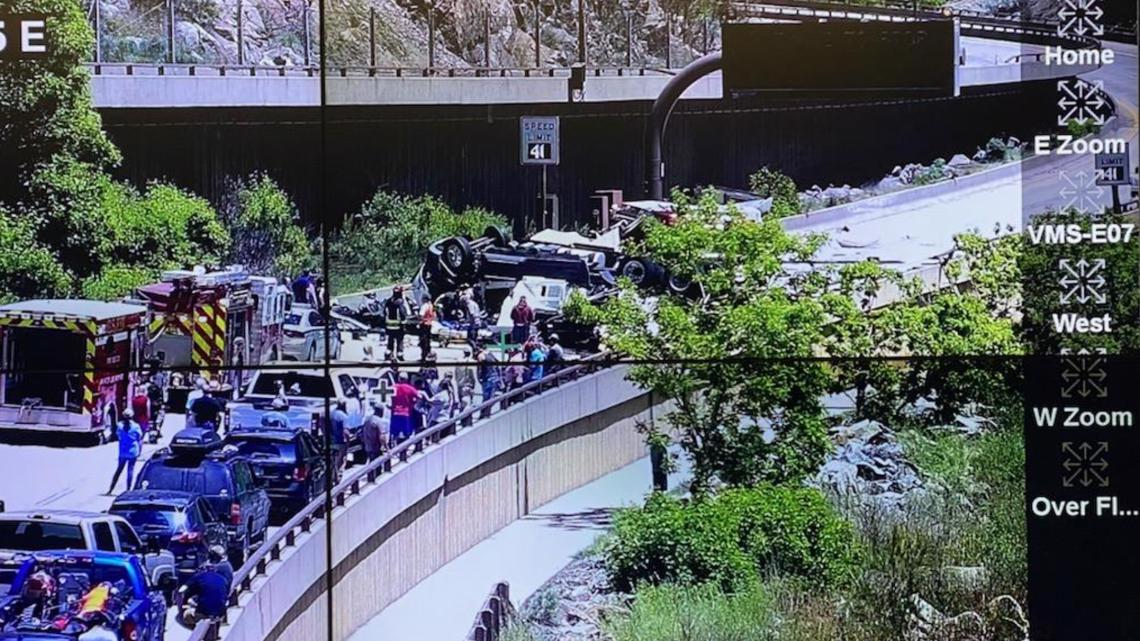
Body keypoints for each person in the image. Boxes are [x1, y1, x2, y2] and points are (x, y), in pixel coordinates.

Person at [179, 555, 230, 622]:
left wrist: (183, 602)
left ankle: (196, 627)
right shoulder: (223, 579)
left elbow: (184, 590)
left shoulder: (199, 577)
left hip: (204, 612)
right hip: (221, 612)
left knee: (186, 614)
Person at [108, 409, 142, 494]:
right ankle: (128, 490)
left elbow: (118, 435)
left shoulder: (120, 426)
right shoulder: (136, 426)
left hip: (123, 451)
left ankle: (111, 489)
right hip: (133, 451)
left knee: (119, 470)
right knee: (130, 470)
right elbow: (139, 438)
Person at [389, 373, 418, 449]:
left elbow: (387, 397)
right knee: (406, 432)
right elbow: (419, 396)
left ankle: (394, 448)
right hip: (406, 413)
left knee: (394, 433)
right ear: (406, 379)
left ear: (399, 378)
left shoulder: (393, 387)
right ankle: (405, 448)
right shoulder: (410, 388)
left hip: (395, 413)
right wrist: (413, 403)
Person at [384, 286, 410, 360]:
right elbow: (402, 312)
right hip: (398, 326)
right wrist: (404, 322)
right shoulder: (400, 301)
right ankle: (399, 355)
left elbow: (384, 312)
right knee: (399, 341)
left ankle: (388, 354)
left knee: (390, 341)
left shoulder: (388, 301)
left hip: (389, 325)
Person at [476, 345, 501, 419]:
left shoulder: (481, 356)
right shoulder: (491, 354)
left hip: (486, 378)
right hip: (494, 377)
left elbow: (479, 369)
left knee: (485, 397)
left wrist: (479, 378)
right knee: (491, 397)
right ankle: (487, 413)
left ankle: (483, 413)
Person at [329, 398, 349, 473]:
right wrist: (348, 441)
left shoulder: (330, 414)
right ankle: (338, 476)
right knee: (341, 460)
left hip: (330, 441)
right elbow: (346, 431)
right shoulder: (343, 416)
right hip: (340, 442)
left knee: (332, 460)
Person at [418, 294, 436, 360]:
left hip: (424, 324)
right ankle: (428, 355)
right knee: (428, 341)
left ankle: (423, 356)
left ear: (425, 299)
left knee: (423, 341)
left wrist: (417, 318)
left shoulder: (424, 306)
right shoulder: (431, 305)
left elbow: (421, 315)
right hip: (429, 324)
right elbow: (434, 315)